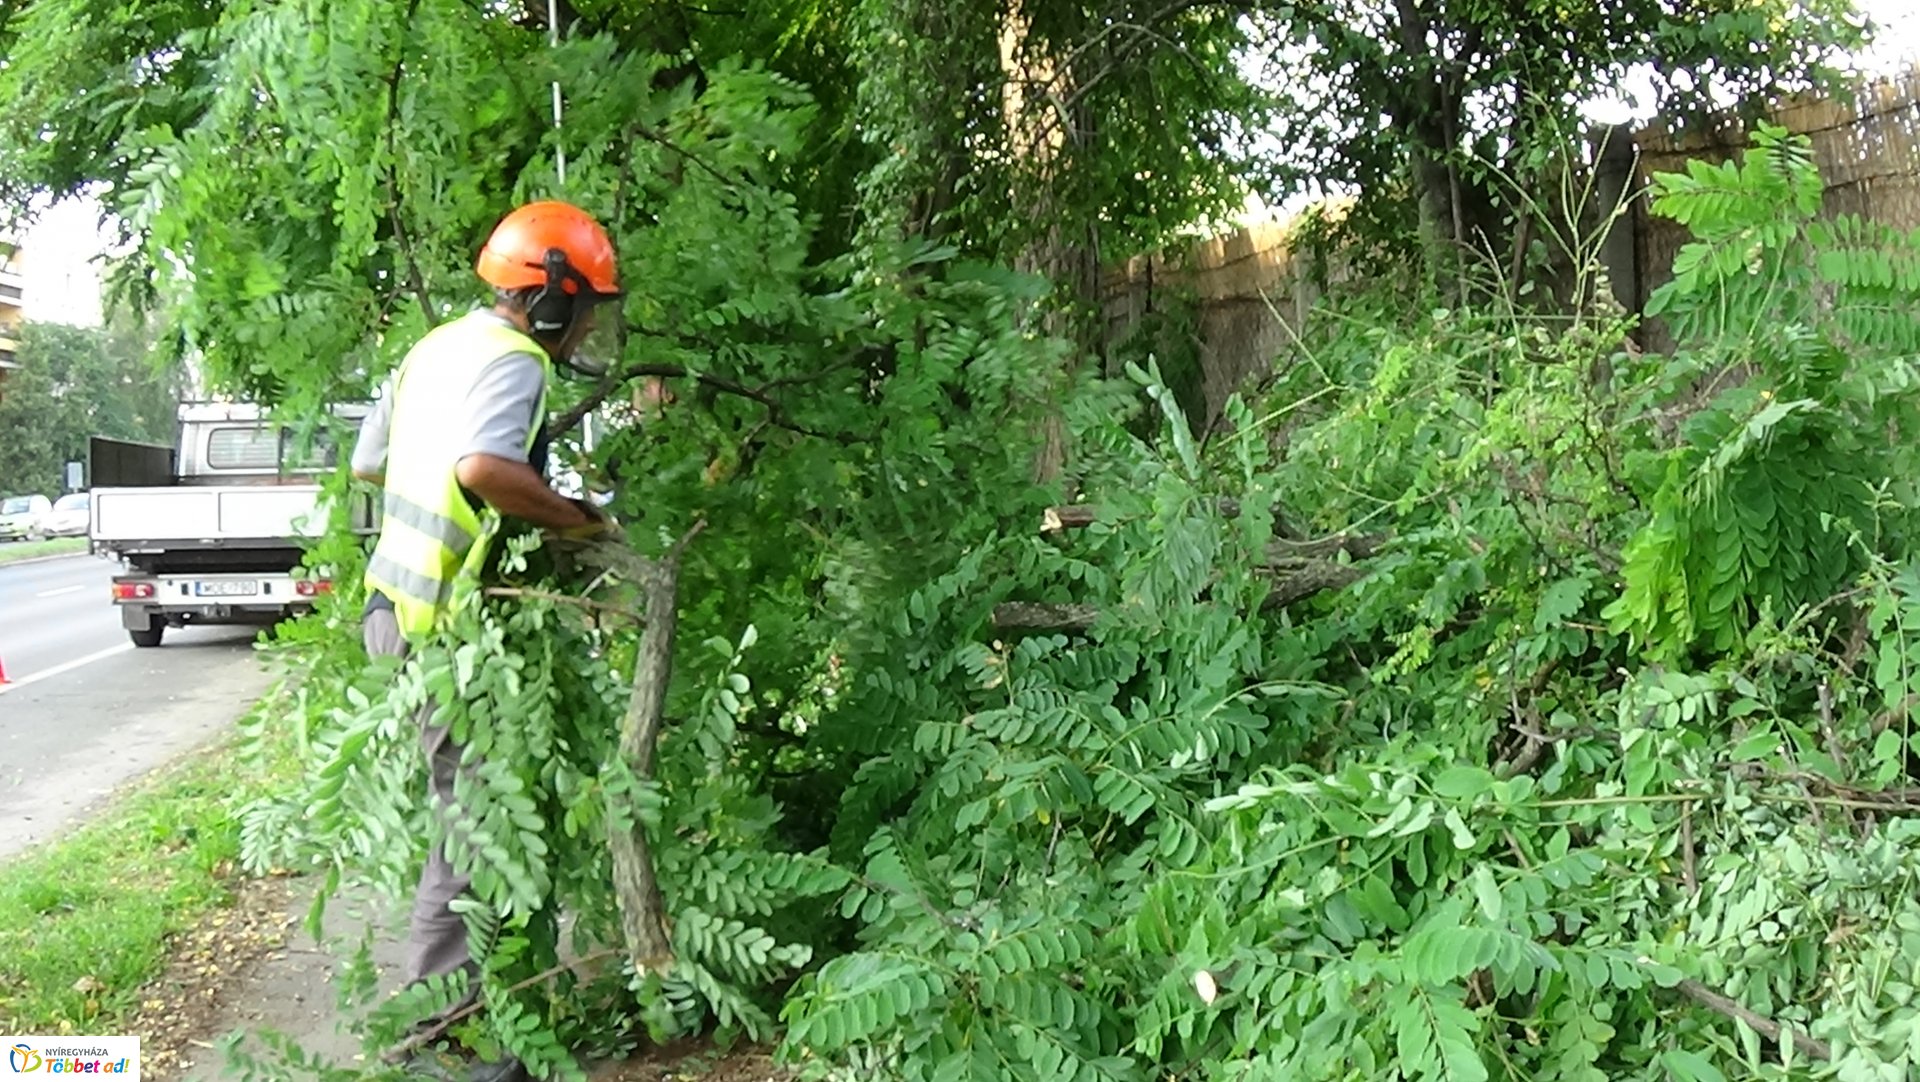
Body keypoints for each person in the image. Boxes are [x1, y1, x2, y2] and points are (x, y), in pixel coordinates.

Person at [349, 200, 623, 1082]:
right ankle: (445, 1045)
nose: (586, 327)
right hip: (447, 628)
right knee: (467, 836)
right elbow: (483, 470)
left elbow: (367, 462)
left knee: (472, 822)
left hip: (396, 610)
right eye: (585, 308)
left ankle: (478, 1017)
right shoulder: (513, 361)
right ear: (549, 299)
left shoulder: (432, 351)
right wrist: (577, 520)